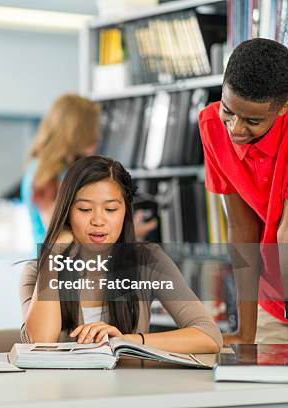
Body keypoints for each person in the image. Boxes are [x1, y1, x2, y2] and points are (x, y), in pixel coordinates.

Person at [21, 156, 221, 353]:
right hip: (62, 385)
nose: (98, 220)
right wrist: (53, 256)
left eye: (110, 209)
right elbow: (42, 343)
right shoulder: (36, 271)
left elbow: (209, 335)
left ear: (125, 212)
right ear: (67, 213)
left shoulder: (147, 260)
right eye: (85, 209)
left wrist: (125, 341)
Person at [199, 38, 288, 344]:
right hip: (273, 303)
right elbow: (241, 227)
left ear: (284, 107)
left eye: (252, 120)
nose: (236, 128)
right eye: (229, 111)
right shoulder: (212, 126)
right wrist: (246, 332)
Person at [21, 94, 157, 247]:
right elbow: (62, 236)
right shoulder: (48, 174)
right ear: (77, 132)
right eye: (93, 128)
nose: (98, 136)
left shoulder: (49, 169)